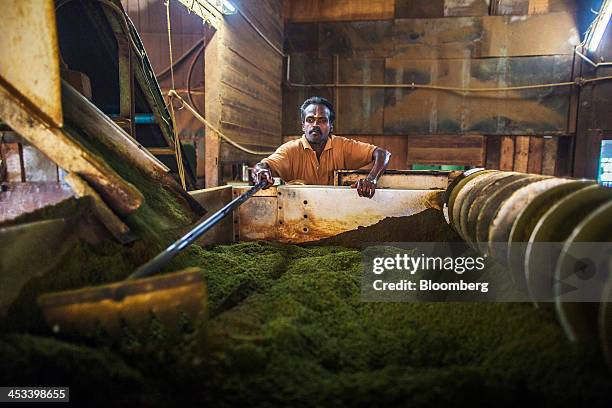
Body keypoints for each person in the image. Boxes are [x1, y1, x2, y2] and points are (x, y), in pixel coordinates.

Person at [252, 97, 390, 198]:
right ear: (303, 125)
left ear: (331, 126)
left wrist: (372, 179)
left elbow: (383, 154)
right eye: (310, 120)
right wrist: (261, 169)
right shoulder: (290, 150)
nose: (315, 125)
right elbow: (264, 165)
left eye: (322, 120)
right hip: (296, 216)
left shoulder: (343, 146)